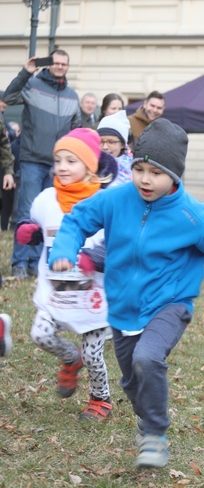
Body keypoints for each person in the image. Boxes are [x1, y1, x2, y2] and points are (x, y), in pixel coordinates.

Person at [48, 118, 204, 468]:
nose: (144, 178)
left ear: (174, 175)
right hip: (124, 306)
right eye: (139, 168)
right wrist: (64, 248)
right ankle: (146, 418)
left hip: (170, 304)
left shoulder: (194, 216)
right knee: (131, 377)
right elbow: (78, 218)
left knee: (147, 359)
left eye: (155, 173)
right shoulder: (116, 200)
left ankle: (155, 433)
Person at [16, 128, 116, 420]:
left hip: (94, 297)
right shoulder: (46, 199)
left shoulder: (107, 204)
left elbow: (121, 246)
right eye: (58, 159)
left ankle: (101, 400)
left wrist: (94, 259)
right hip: (55, 293)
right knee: (39, 334)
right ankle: (70, 358)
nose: (62, 166)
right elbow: (33, 222)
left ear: (90, 166)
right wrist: (30, 232)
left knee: (94, 355)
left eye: (71, 160)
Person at [2, 51, 81, 279]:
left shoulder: (72, 96)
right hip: (31, 160)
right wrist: (26, 72)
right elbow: (9, 96)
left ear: (68, 66)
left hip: (57, 166)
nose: (59, 66)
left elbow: (75, 131)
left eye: (63, 63)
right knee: (26, 213)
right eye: (55, 62)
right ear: (49, 64)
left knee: (48, 214)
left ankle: (36, 263)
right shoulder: (33, 85)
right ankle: (19, 262)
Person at [97, 110, 133, 186]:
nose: (105, 147)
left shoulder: (134, 169)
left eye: (111, 142)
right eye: (101, 141)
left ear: (123, 144)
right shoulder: (90, 166)